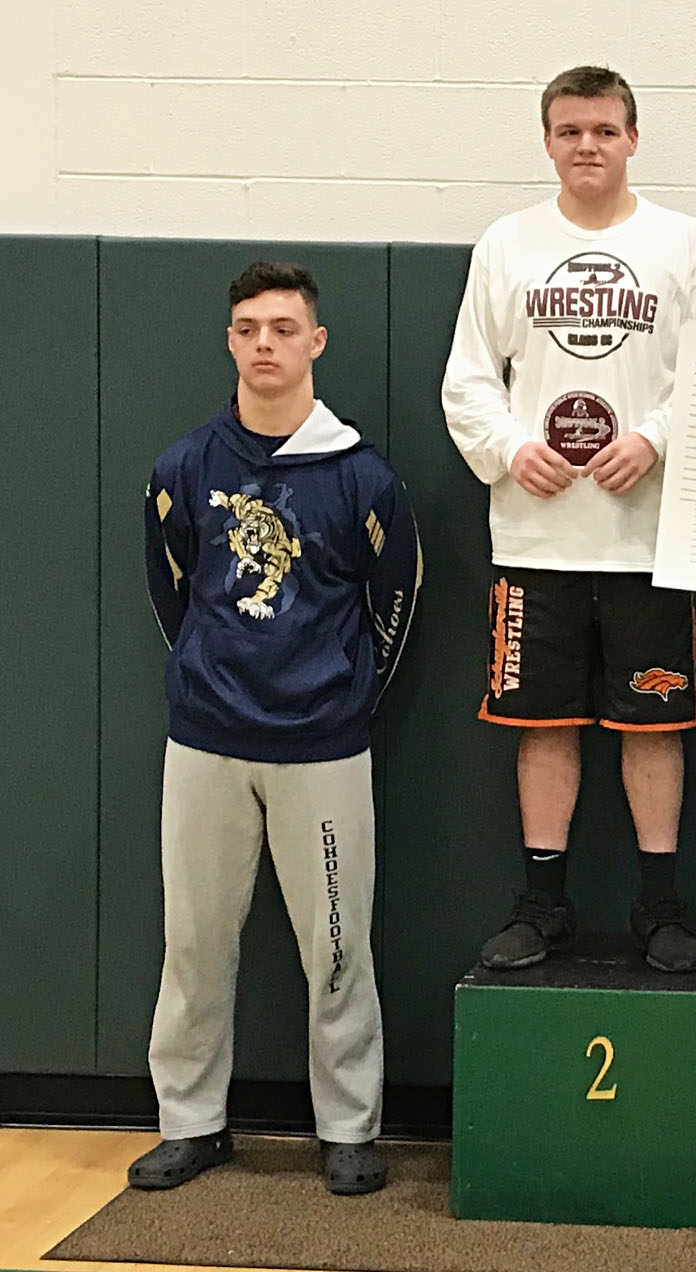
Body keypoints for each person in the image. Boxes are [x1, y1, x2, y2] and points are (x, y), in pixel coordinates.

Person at [134, 261, 421, 1193]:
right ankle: (192, 1122)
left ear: (316, 343)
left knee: (337, 944)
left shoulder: (363, 477)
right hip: (207, 740)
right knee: (193, 940)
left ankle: (347, 1129)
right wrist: (206, 675)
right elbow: (167, 589)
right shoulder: (185, 468)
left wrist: (342, 696)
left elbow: (397, 603)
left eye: (284, 327)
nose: (266, 342)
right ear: (230, 341)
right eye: (249, 326)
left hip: (324, 746)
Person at [442, 66, 696, 973]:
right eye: (570, 131)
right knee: (544, 726)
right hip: (537, 537)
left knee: (653, 729)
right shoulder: (507, 243)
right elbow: (465, 381)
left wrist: (652, 438)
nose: (587, 146)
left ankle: (659, 906)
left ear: (633, 138)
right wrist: (505, 448)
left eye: (604, 130)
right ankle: (543, 903)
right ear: (548, 142)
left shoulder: (682, 244)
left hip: (651, 535)